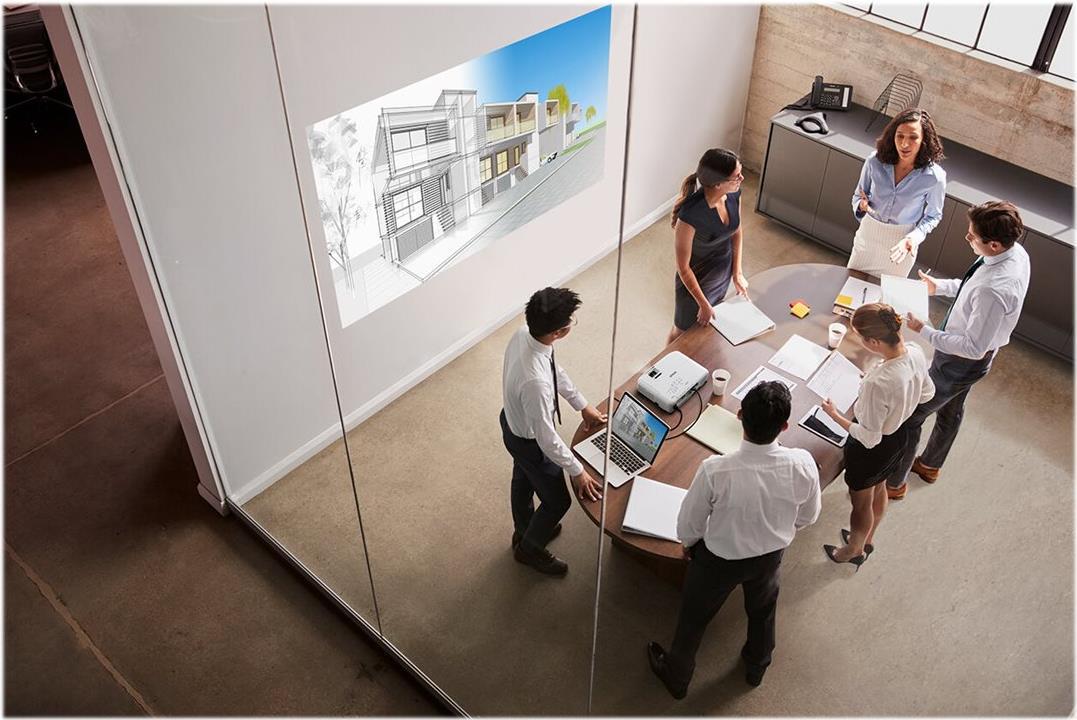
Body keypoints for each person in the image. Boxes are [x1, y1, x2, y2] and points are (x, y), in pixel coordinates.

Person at [647, 382, 820, 697]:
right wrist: (777, 529)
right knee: (763, 611)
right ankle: (757, 667)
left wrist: (688, 544)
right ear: (784, 426)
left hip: (717, 562)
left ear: (739, 416)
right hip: (769, 558)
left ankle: (677, 677)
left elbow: (690, 522)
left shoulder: (715, 470)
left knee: (694, 619)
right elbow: (809, 515)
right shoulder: (803, 464)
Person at [885, 200, 1031, 500]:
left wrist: (924, 331)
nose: (967, 238)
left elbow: (973, 347)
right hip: (968, 359)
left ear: (993, 244)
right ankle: (930, 465)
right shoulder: (1015, 252)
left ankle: (895, 484)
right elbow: (972, 287)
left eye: (972, 236)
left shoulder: (994, 290)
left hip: (960, 362)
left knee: (912, 416)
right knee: (951, 409)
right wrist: (938, 287)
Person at [500, 287, 606, 577]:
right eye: (571, 320)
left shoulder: (525, 333)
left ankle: (524, 531)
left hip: (511, 422)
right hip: (528, 440)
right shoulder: (535, 384)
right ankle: (529, 549)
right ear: (559, 332)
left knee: (522, 479)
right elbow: (546, 439)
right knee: (559, 501)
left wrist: (581, 404)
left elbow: (553, 369)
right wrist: (577, 470)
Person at [819, 304, 934, 566]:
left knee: (861, 505)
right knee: (880, 487)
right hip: (899, 438)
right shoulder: (915, 352)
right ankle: (868, 539)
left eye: (860, 336)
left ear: (873, 341)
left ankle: (853, 550)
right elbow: (928, 393)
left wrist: (834, 415)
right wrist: (900, 403)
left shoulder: (877, 383)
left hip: (871, 450)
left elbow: (869, 437)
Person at [848, 107, 946, 278]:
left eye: (913, 137)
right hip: (868, 236)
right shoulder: (874, 161)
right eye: (900, 136)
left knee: (886, 294)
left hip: (901, 245)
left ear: (924, 140)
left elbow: (933, 216)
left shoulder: (934, 177)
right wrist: (861, 205)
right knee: (850, 287)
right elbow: (858, 195)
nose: (904, 144)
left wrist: (913, 238)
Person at [667, 148, 750, 344]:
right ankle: (665, 362)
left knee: (707, 331)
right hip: (695, 284)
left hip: (721, 275)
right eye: (736, 176)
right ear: (718, 183)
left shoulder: (733, 195)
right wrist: (702, 303)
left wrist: (736, 273)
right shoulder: (690, 216)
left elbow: (736, 230)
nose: (742, 178)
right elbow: (683, 268)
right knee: (681, 332)